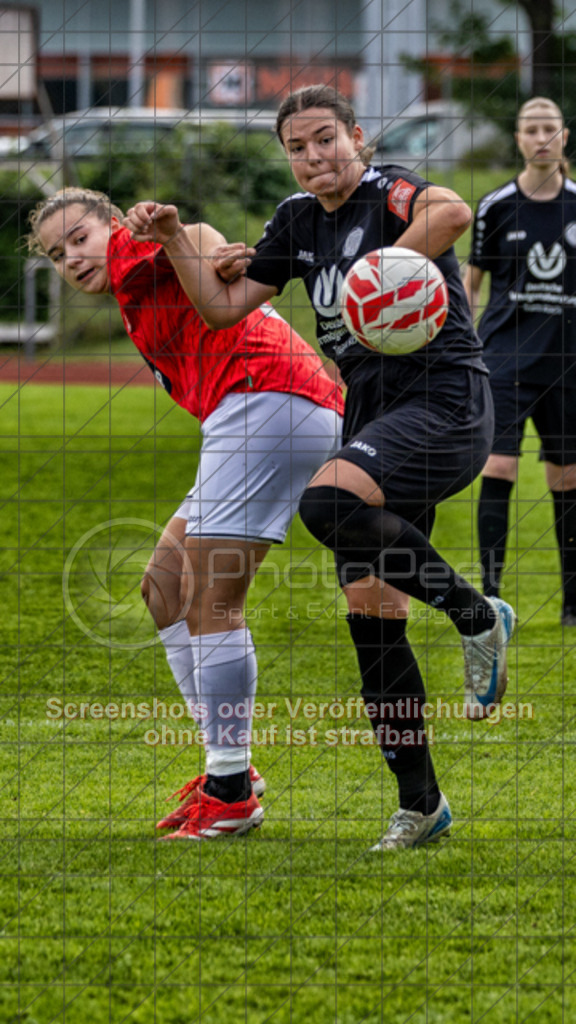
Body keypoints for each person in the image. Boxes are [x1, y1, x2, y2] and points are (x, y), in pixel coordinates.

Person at [123, 85, 516, 853]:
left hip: (443, 402)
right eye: (297, 147)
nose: (313, 157)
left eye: (326, 139)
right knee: (372, 622)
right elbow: (223, 306)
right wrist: (175, 237)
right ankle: (422, 805)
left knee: (325, 502)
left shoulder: (388, 190)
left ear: (357, 138)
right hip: (370, 414)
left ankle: (477, 615)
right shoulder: (296, 222)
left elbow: (453, 213)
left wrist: (383, 267)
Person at [28, 187, 343, 840]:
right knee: (163, 586)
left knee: (211, 602)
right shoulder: (129, 281)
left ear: (110, 226)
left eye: (78, 238)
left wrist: (173, 233)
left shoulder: (135, 248)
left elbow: (194, 235)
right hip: (262, 407)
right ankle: (228, 769)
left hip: (265, 400)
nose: (71, 257)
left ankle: (230, 794)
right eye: (58, 254)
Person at [464, 97, 576, 625]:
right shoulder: (495, 205)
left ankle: (572, 602)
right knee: (500, 466)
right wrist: (460, 347)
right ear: (519, 139)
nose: (541, 138)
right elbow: (471, 284)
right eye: (531, 129)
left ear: (564, 136)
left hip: (565, 364)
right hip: (503, 361)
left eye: (549, 129)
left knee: (566, 479)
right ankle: (491, 595)